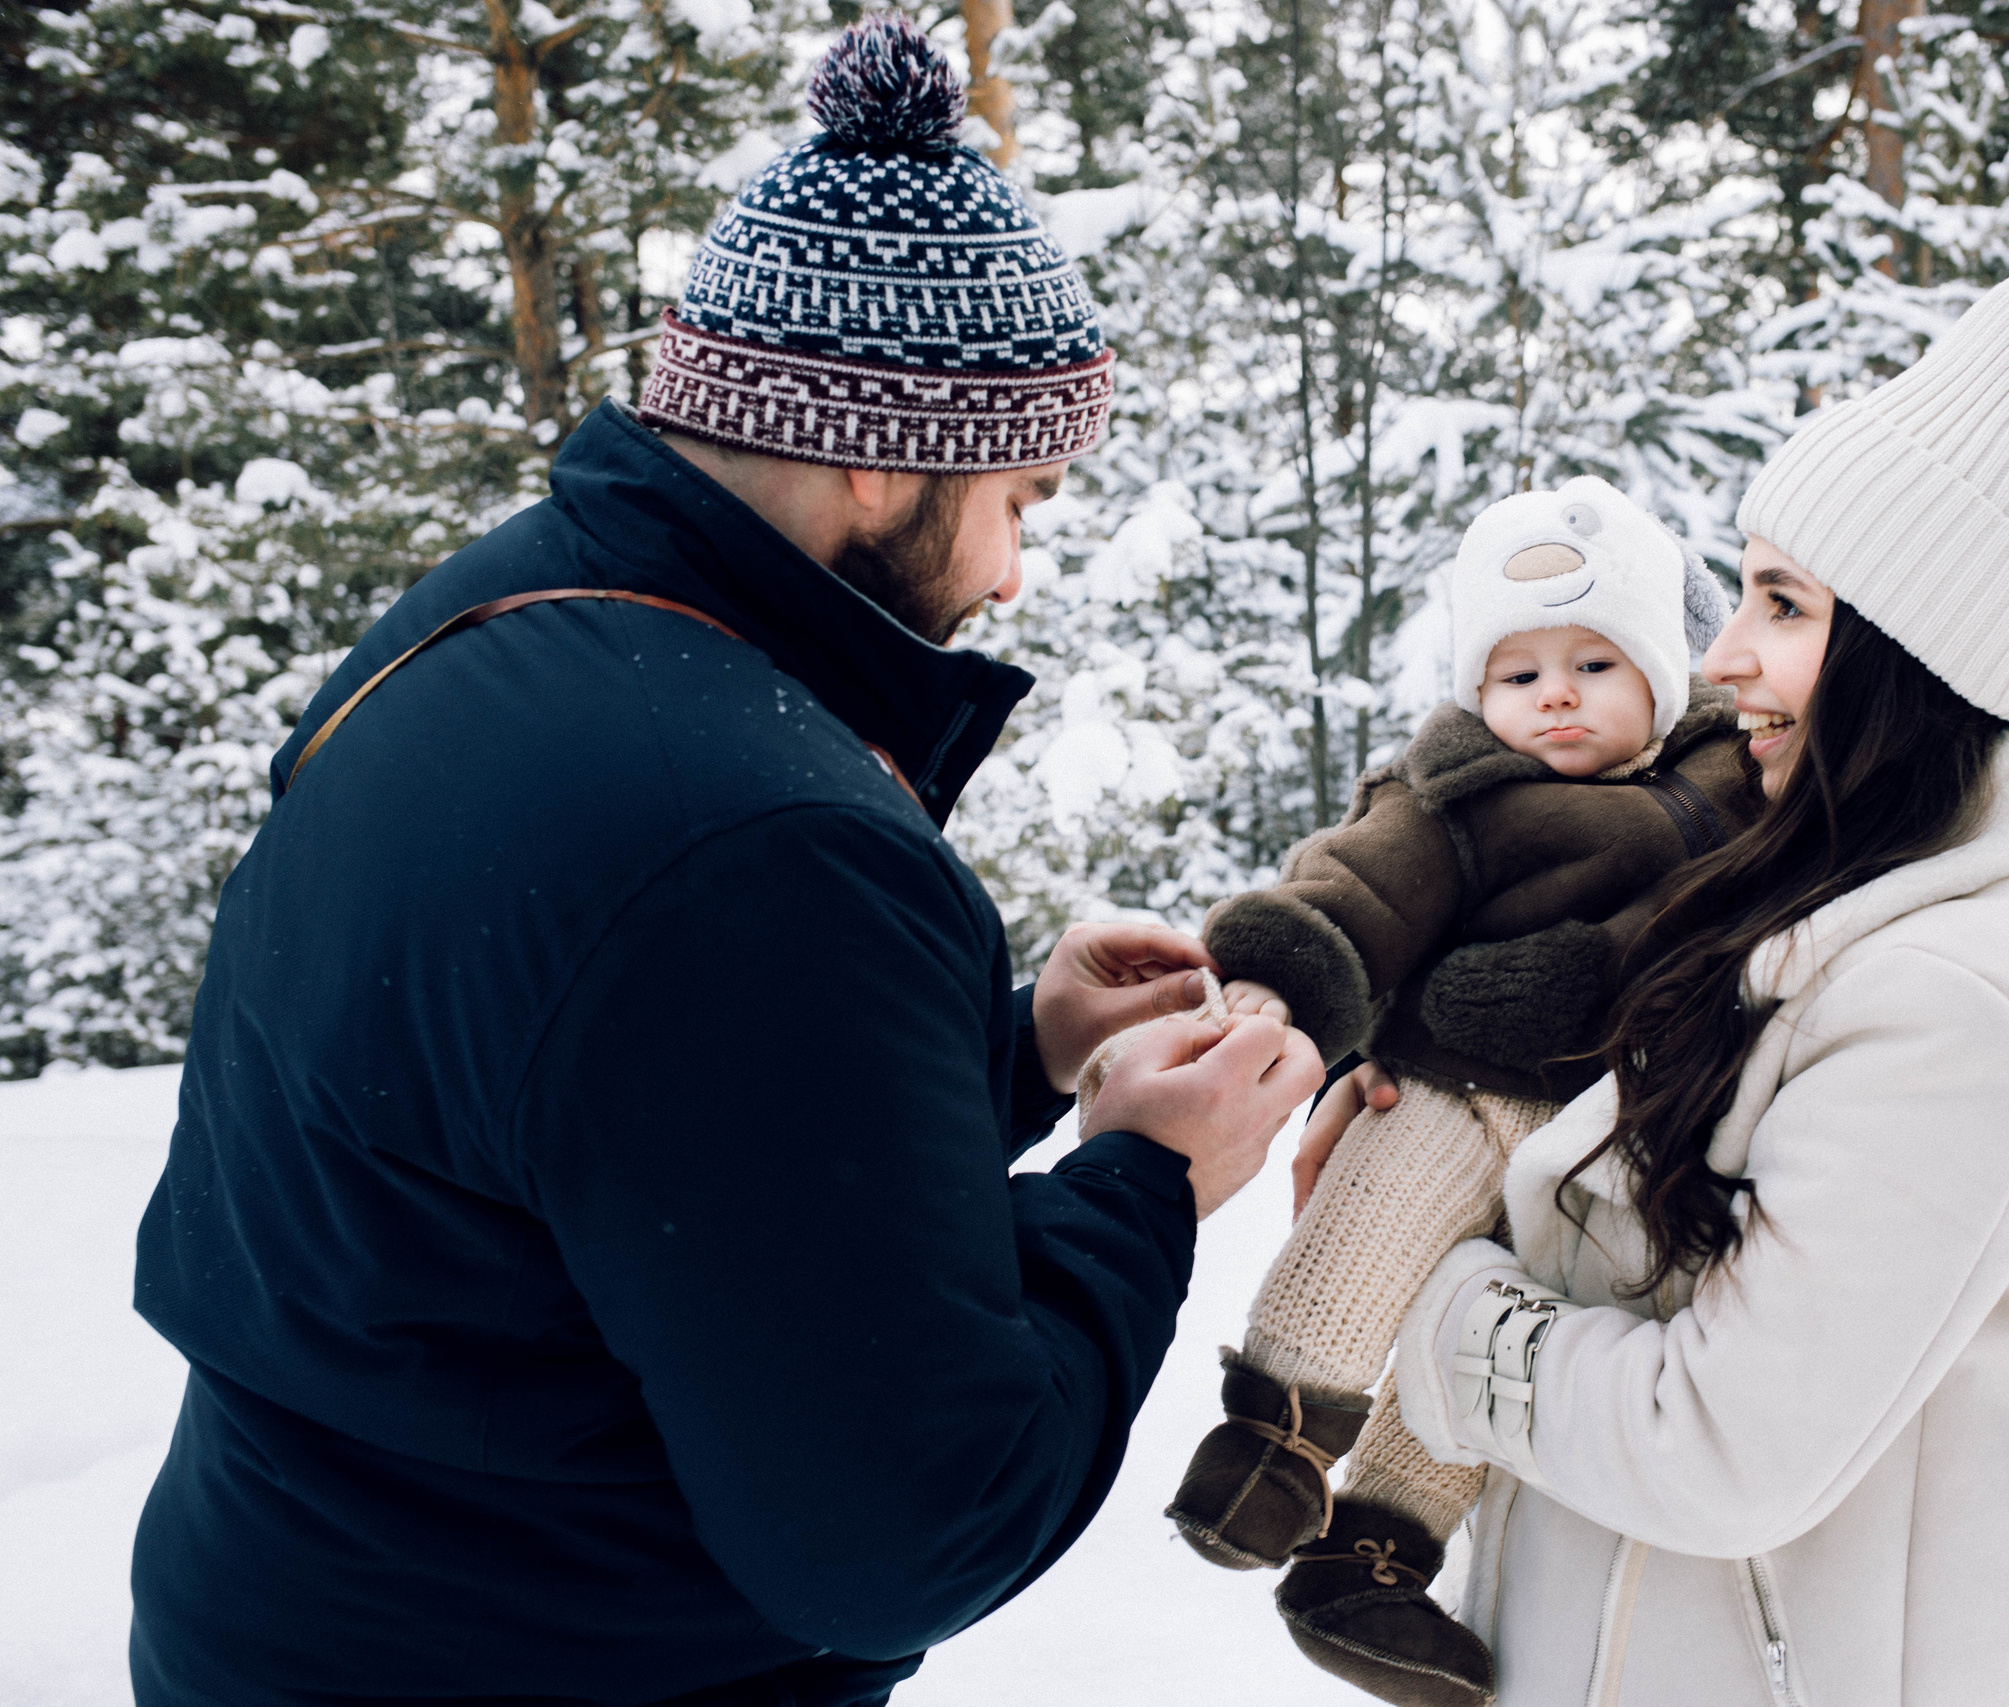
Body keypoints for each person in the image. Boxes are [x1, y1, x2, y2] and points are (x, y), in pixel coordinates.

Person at [126, 18, 1320, 1707]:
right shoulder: (762, 841)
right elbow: (910, 1519)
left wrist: (1013, 1050)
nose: (1014, 572)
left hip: (287, 1610)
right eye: (1021, 498)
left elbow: (622, 1131)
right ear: (877, 456)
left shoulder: (482, 626)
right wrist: (1141, 1183)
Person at [1296, 264, 2009, 1706]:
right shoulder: (1838, 868)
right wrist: (1428, 1117)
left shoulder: (1957, 1003)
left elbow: (1716, 1441)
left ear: (1915, 647)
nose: (1721, 654)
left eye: (1781, 602)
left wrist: (1411, 1280)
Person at [1115, 476, 1761, 1705]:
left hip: (1594, 1138)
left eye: (1593, 663)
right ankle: (1273, 1435)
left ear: (1667, 676)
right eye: (1518, 675)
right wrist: (1277, 981)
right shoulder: (1455, 794)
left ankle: (1369, 1567)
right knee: (1373, 1236)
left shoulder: (1733, 783)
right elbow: (1355, 891)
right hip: (1450, 1090)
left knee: (1479, 1359)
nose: (1554, 696)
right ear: (1477, 691)